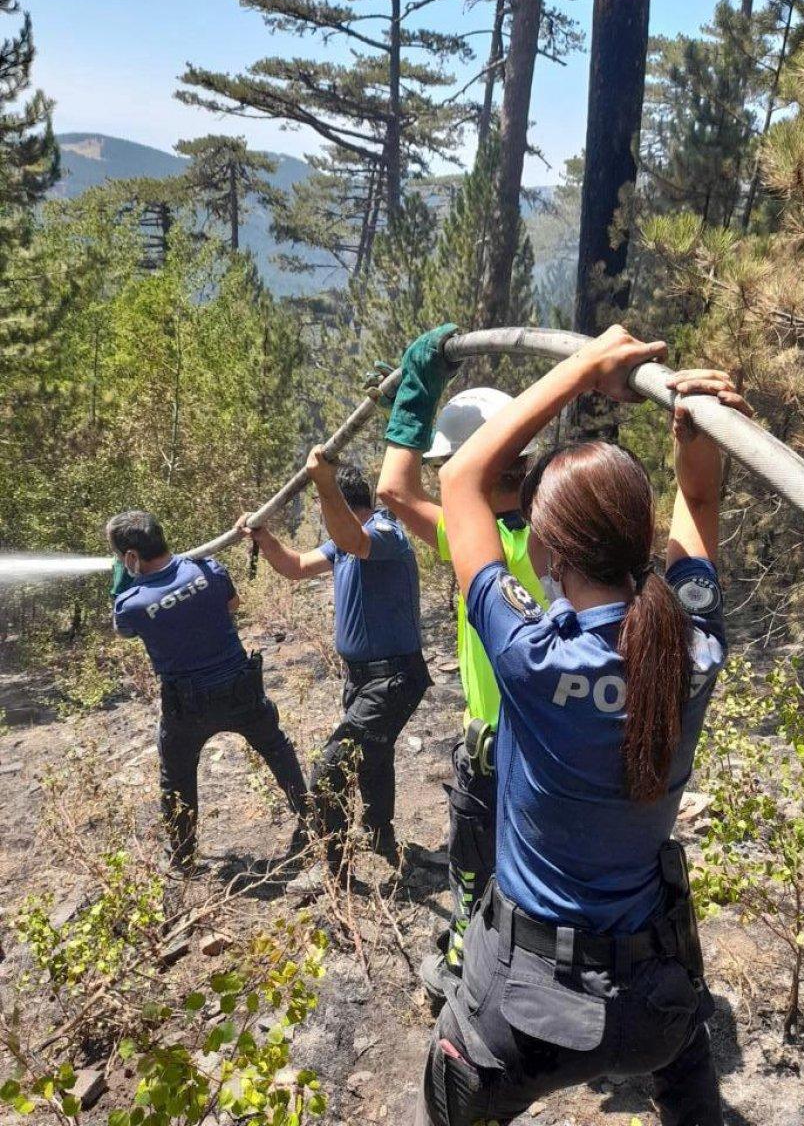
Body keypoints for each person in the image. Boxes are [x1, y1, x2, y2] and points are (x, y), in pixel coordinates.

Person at [414, 325, 753, 1126]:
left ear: (549, 555)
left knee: (452, 1103)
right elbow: (700, 503)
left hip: (520, 1012)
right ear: (640, 539)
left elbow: (461, 478)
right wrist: (692, 430)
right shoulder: (694, 647)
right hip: (655, 1004)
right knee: (688, 1077)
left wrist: (581, 370)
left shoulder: (529, 657)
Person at [375, 325, 546, 997]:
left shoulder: (472, 542)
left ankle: (465, 977)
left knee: (473, 867)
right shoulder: (559, 534)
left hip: (493, 742)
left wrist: (417, 386)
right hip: (553, 742)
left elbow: (393, 488)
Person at [238, 447, 431, 870]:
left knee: (331, 768)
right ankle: (381, 836)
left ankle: (334, 868)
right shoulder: (344, 542)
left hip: (393, 678)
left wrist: (323, 481)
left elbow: (351, 538)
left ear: (345, 504)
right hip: (362, 679)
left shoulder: (384, 533)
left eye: (329, 504)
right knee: (372, 756)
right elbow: (296, 566)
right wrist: (265, 539)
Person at [107, 510, 308, 874]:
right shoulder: (208, 569)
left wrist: (122, 580)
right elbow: (233, 605)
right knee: (277, 750)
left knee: (177, 777)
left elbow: (122, 630)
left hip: (187, 706)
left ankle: (183, 860)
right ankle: (313, 823)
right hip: (239, 688)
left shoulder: (132, 602)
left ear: (131, 558)